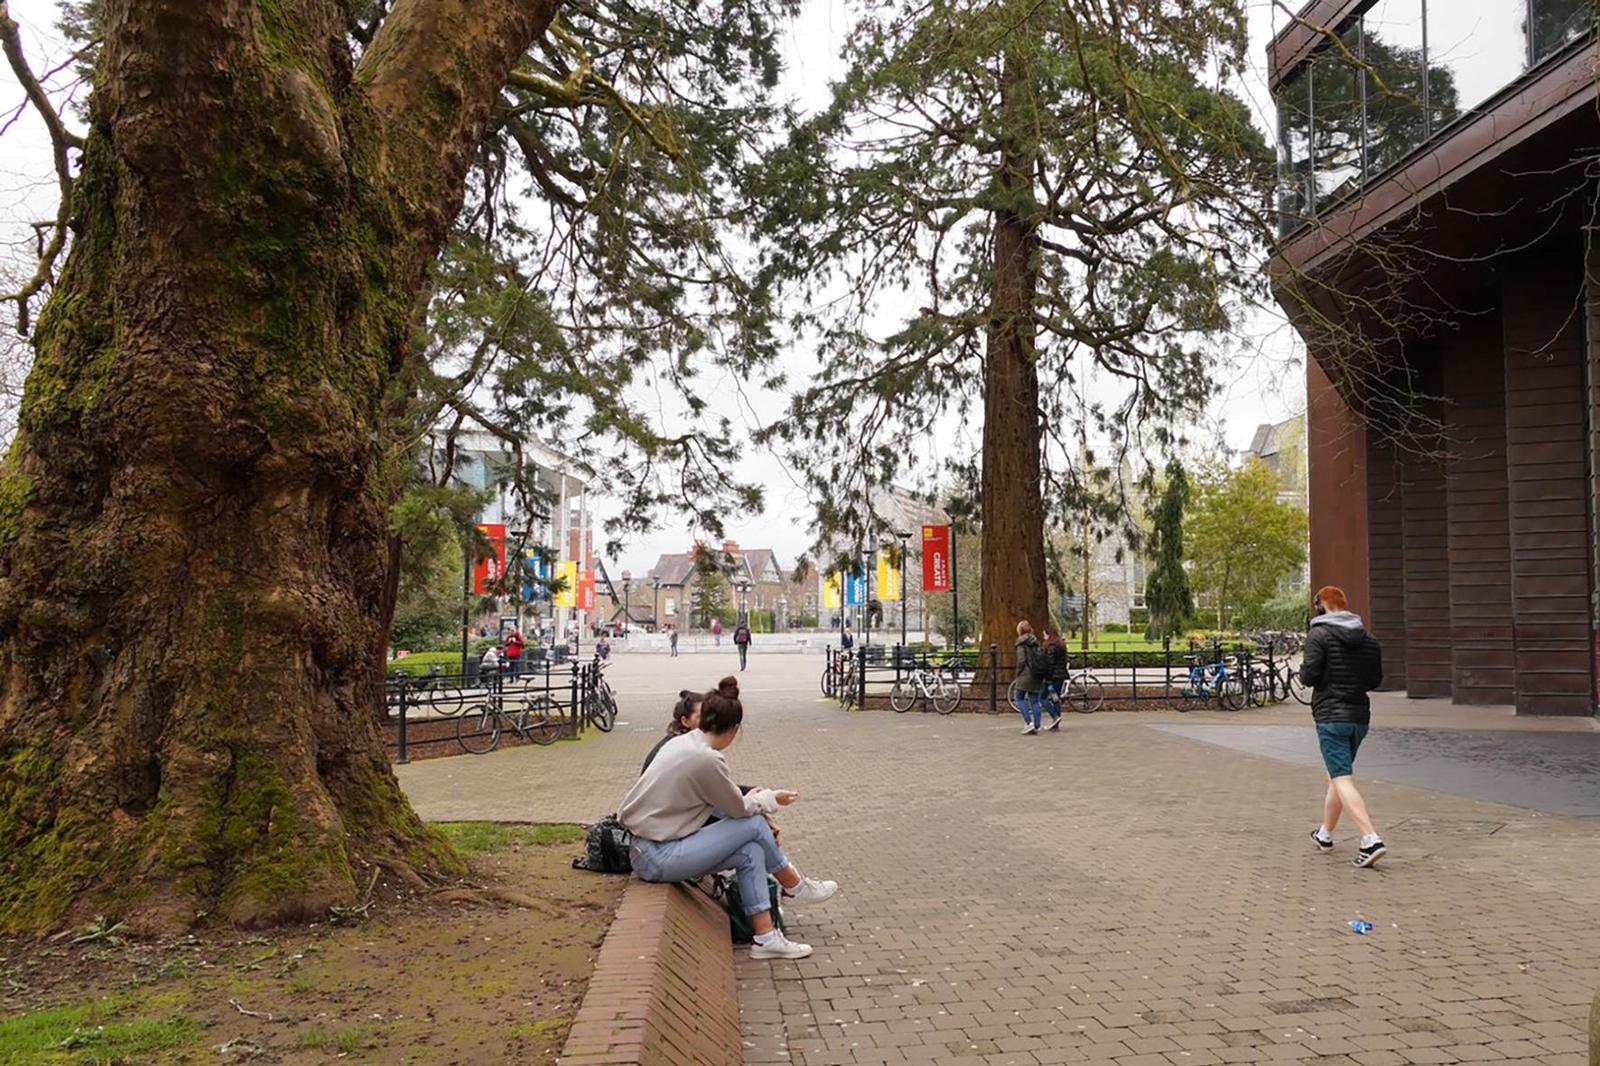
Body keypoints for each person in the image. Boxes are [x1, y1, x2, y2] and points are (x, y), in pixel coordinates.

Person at [618, 677, 838, 960]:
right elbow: (738, 810)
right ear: (734, 730)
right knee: (753, 825)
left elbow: (722, 803)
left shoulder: (685, 744)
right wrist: (771, 799)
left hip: (649, 848)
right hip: (657, 855)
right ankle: (794, 885)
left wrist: (761, 802)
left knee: (750, 851)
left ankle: (766, 938)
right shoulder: (706, 758)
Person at [1300, 584, 1387, 868]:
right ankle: (1325, 834)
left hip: (1330, 715)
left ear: (1320, 606)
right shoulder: (1369, 639)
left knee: (1341, 778)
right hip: (1359, 717)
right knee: (1337, 774)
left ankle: (1369, 839)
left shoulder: (1319, 635)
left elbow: (1309, 676)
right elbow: (1375, 681)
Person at [641, 690, 702, 774]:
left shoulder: (685, 742)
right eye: (702, 716)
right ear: (685, 721)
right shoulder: (680, 749)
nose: (709, 720)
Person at [1013, 620, 1048, 735]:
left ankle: (1028, 723)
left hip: (1025, 674)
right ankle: (1037, 725)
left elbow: (1021, 661)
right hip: (1036, 673)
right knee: (1034, 700)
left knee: (1019, 697)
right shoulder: (1035, 642)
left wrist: (1018, 673)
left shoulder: (1021, 643)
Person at [1040, 629, 1068, 730]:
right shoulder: (1061, 645)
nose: (1044, 638)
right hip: (1060, 676)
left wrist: (1047, 677)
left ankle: (1055, 716)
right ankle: (1055, 725)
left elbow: (1050, 663)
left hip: (1052, 677)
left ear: (1049, 635)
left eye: (1044, 635)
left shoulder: (1051, 646)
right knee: (1055, 699)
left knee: (1042, 698)